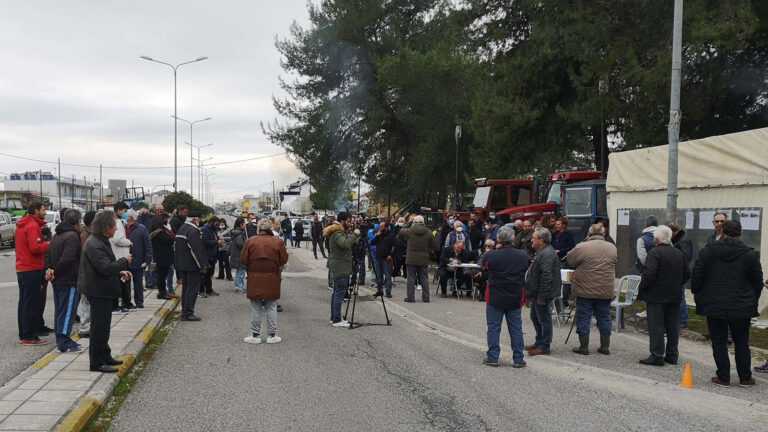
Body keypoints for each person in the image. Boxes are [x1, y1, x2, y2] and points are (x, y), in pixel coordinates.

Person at [692, 220, 763, 387]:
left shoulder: (708, 251)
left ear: (722, 231)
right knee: (741, 341)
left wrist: (699, 295)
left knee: (718, 341)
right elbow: (757, 282)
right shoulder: (749, 254)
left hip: (714, 303)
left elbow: (697, 276)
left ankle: (723, 376)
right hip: (741, 305)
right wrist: (752, 299)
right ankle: (745, 377)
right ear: (740, 233)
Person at [79, 211, 132, 373]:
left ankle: (105, 355)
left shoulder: (102, 241)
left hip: (103, 289)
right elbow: (105, 268)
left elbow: (106, 265)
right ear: (105, 228)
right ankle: (96, 362)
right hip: (97, 290)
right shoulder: (94, 244)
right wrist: (124, 262)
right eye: (113, 226)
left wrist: (119, 272)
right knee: (98, 328)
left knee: (104, 327)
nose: (116, 230)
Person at [637, 225, 690, 366]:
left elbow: (649, 274)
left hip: (656, 296)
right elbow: (687, 274)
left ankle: (657, 355)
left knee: (656, 326)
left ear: (657, 239)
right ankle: (672, 355)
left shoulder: (655, 253)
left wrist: (642, 288)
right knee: (673, 326)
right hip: (675, 295)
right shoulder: (679, 253)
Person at [482, 226, 529, 368]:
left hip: (495, 295)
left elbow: (484, 271)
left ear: (499, 239)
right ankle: (518, 358)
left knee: (494, 327)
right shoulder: (523, 255)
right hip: (515, 295)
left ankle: (493, 357)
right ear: (513, 239)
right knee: (516, 328)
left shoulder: (491, 255)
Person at [567, 223, 617, 355]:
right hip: (605, 290)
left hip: (585, 290)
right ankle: (605, 346)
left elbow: (570, 260)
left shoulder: (583, 247)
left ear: (589, 234)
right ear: (603, 233)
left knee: (584, 318)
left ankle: (584, 347)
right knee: (604, 318)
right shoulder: (612, 247)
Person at [241, 219, 289, 345]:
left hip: (254, 277)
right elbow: (284, 259)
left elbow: (243, 259)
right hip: (272, 277)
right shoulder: (278, 242)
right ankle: (272, 335)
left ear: (258, 229)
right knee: (271, 306)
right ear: (270, 229)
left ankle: (255, 335)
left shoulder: (250, 241)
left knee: (255, 307)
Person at [45, 209, 83, 353]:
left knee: (60, 310)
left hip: (58, 279)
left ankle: (61, 337)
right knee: (68, 311)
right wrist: (55, 270)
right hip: (68, 279)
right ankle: (64, 341)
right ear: (76, 222)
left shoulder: (57, 235)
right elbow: (68, 258)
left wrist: (50, 269)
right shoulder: (72, 236)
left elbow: (48, 254)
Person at [16, 200, 52, 346]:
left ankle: (25, 333)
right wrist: (48, 244)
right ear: (36, 210)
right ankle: (29, 336)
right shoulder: (32, 226)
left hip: (23, 268)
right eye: (43, 209)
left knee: (25, 302)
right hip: (31, 268)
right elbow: (35, 248)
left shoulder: (24, 224)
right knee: (31, 303)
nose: (45, 212)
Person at [525, 227, 561, 356]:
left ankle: (544, 346)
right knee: (535, 317)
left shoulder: (547, 254)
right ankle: (539, 342)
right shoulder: (543, 252)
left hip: (543, 294)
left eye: (533, 238)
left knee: (544, 319)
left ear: (541, 240)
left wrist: (542, 296)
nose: (531, 241)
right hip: (537, 293)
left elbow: (547, 276)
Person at [324, 212, 360, 328]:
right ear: (343, 221)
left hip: (339, 265)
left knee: (336, 293)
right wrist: (354, 234)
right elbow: (345, 244)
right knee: (339, 293)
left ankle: (334, 317)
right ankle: (337, 320)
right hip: (341, 266)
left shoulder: (338, 231)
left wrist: (353, 236)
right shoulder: (338, 232)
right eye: (349, 221)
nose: (350, 223)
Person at [399, 215, 438, 303]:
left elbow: (400, 231)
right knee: (424, 278)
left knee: (411, 279)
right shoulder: (428, 232)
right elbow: (435, 246)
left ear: (414, 222)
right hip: (424, 258)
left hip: (411, 258)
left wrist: (408, 223)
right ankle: (426, 298)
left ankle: (411, 298)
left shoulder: (410, 231)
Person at [175, 212, 207, 321]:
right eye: (198, 218)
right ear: (194, 219)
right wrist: (202, 265)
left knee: (186, 289)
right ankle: (188, 313)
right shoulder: (193, 231)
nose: (199, 221)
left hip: (182, 264)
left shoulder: (182, 228)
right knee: (192, 290)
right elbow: (196, 250)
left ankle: (185, 311)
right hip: (192, 265)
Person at [126, 209, 152, 309]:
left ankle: (139, 302)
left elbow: (148, 245)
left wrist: (147, 259)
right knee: (126, 283)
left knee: (138, 283)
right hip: (126, 259)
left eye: (127, 215)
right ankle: (127, 302)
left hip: (138, 259)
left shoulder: (141, 228)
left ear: (131, 217)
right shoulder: (123, 228)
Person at [669, 223, 693, 329]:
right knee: (679, 296)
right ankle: (680, 319)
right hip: (678, 272)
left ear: (674, 232)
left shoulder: (683, 241)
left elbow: (685, 257)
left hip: (680, 273)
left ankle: (683, 320)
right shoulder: (679, 240)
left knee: (681, 297)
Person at [77, 210, 96, 338]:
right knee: (85, 301)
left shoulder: (89, 234)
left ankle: (87, 325)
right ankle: (84, 327)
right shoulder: (85, 235)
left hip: (88, 273)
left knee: (87, 301)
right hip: (85, 272)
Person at [110, 202, 133, 311]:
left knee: (122, 281)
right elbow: (118, 239)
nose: (125, 213)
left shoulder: (116, 221)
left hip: (118, 256)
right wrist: (129, 242)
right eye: (124, 211)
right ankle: (123, 303)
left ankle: (123, 303)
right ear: (118, 210)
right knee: (122, 282)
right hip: (120, 257)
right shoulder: (117, 222)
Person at [149, 215, 176, 300]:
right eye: (164, 219)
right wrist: (172, 237)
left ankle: (163, 292)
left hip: (164, 256)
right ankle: (162, 293)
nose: (166, 221)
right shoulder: (158, 232)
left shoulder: (162, 230)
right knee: (162, 276)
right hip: (162, 257)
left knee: (163, 275)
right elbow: (168, 240)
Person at [371, 222, 396, 298]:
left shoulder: (391, 235)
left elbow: (395, 246)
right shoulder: (379, 235)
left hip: (386, 258)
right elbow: (372, 243)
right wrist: (376, 236)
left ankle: (388, 292)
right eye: (380, 227)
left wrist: (390, 255)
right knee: (379, 275)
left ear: (386, 227)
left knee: (387, 275)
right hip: (378, 257)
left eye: (382, 227)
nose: (380, 228)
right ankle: (379, 291)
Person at [200, 217, 220, 297]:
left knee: (210, 274)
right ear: (211, 222)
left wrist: (218, 240)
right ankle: (201, 291)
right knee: (204, 274)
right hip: (206, 255)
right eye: (216, 223)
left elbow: (214, 238)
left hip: (213, 255)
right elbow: (205, 241)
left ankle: (209, 290)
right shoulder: (205, 229)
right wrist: (216, 242)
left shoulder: (213, 229)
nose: (217, 225)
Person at [229, 217, 247, 294]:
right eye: (244, 224)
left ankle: (237, 286)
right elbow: (241, 244)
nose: (245, 225)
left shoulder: (235, 232)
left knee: (238, 272)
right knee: (241, 272)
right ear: (241, 224)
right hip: (239, 255)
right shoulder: (239, 234)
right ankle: (240, 287)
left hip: (235, 255)